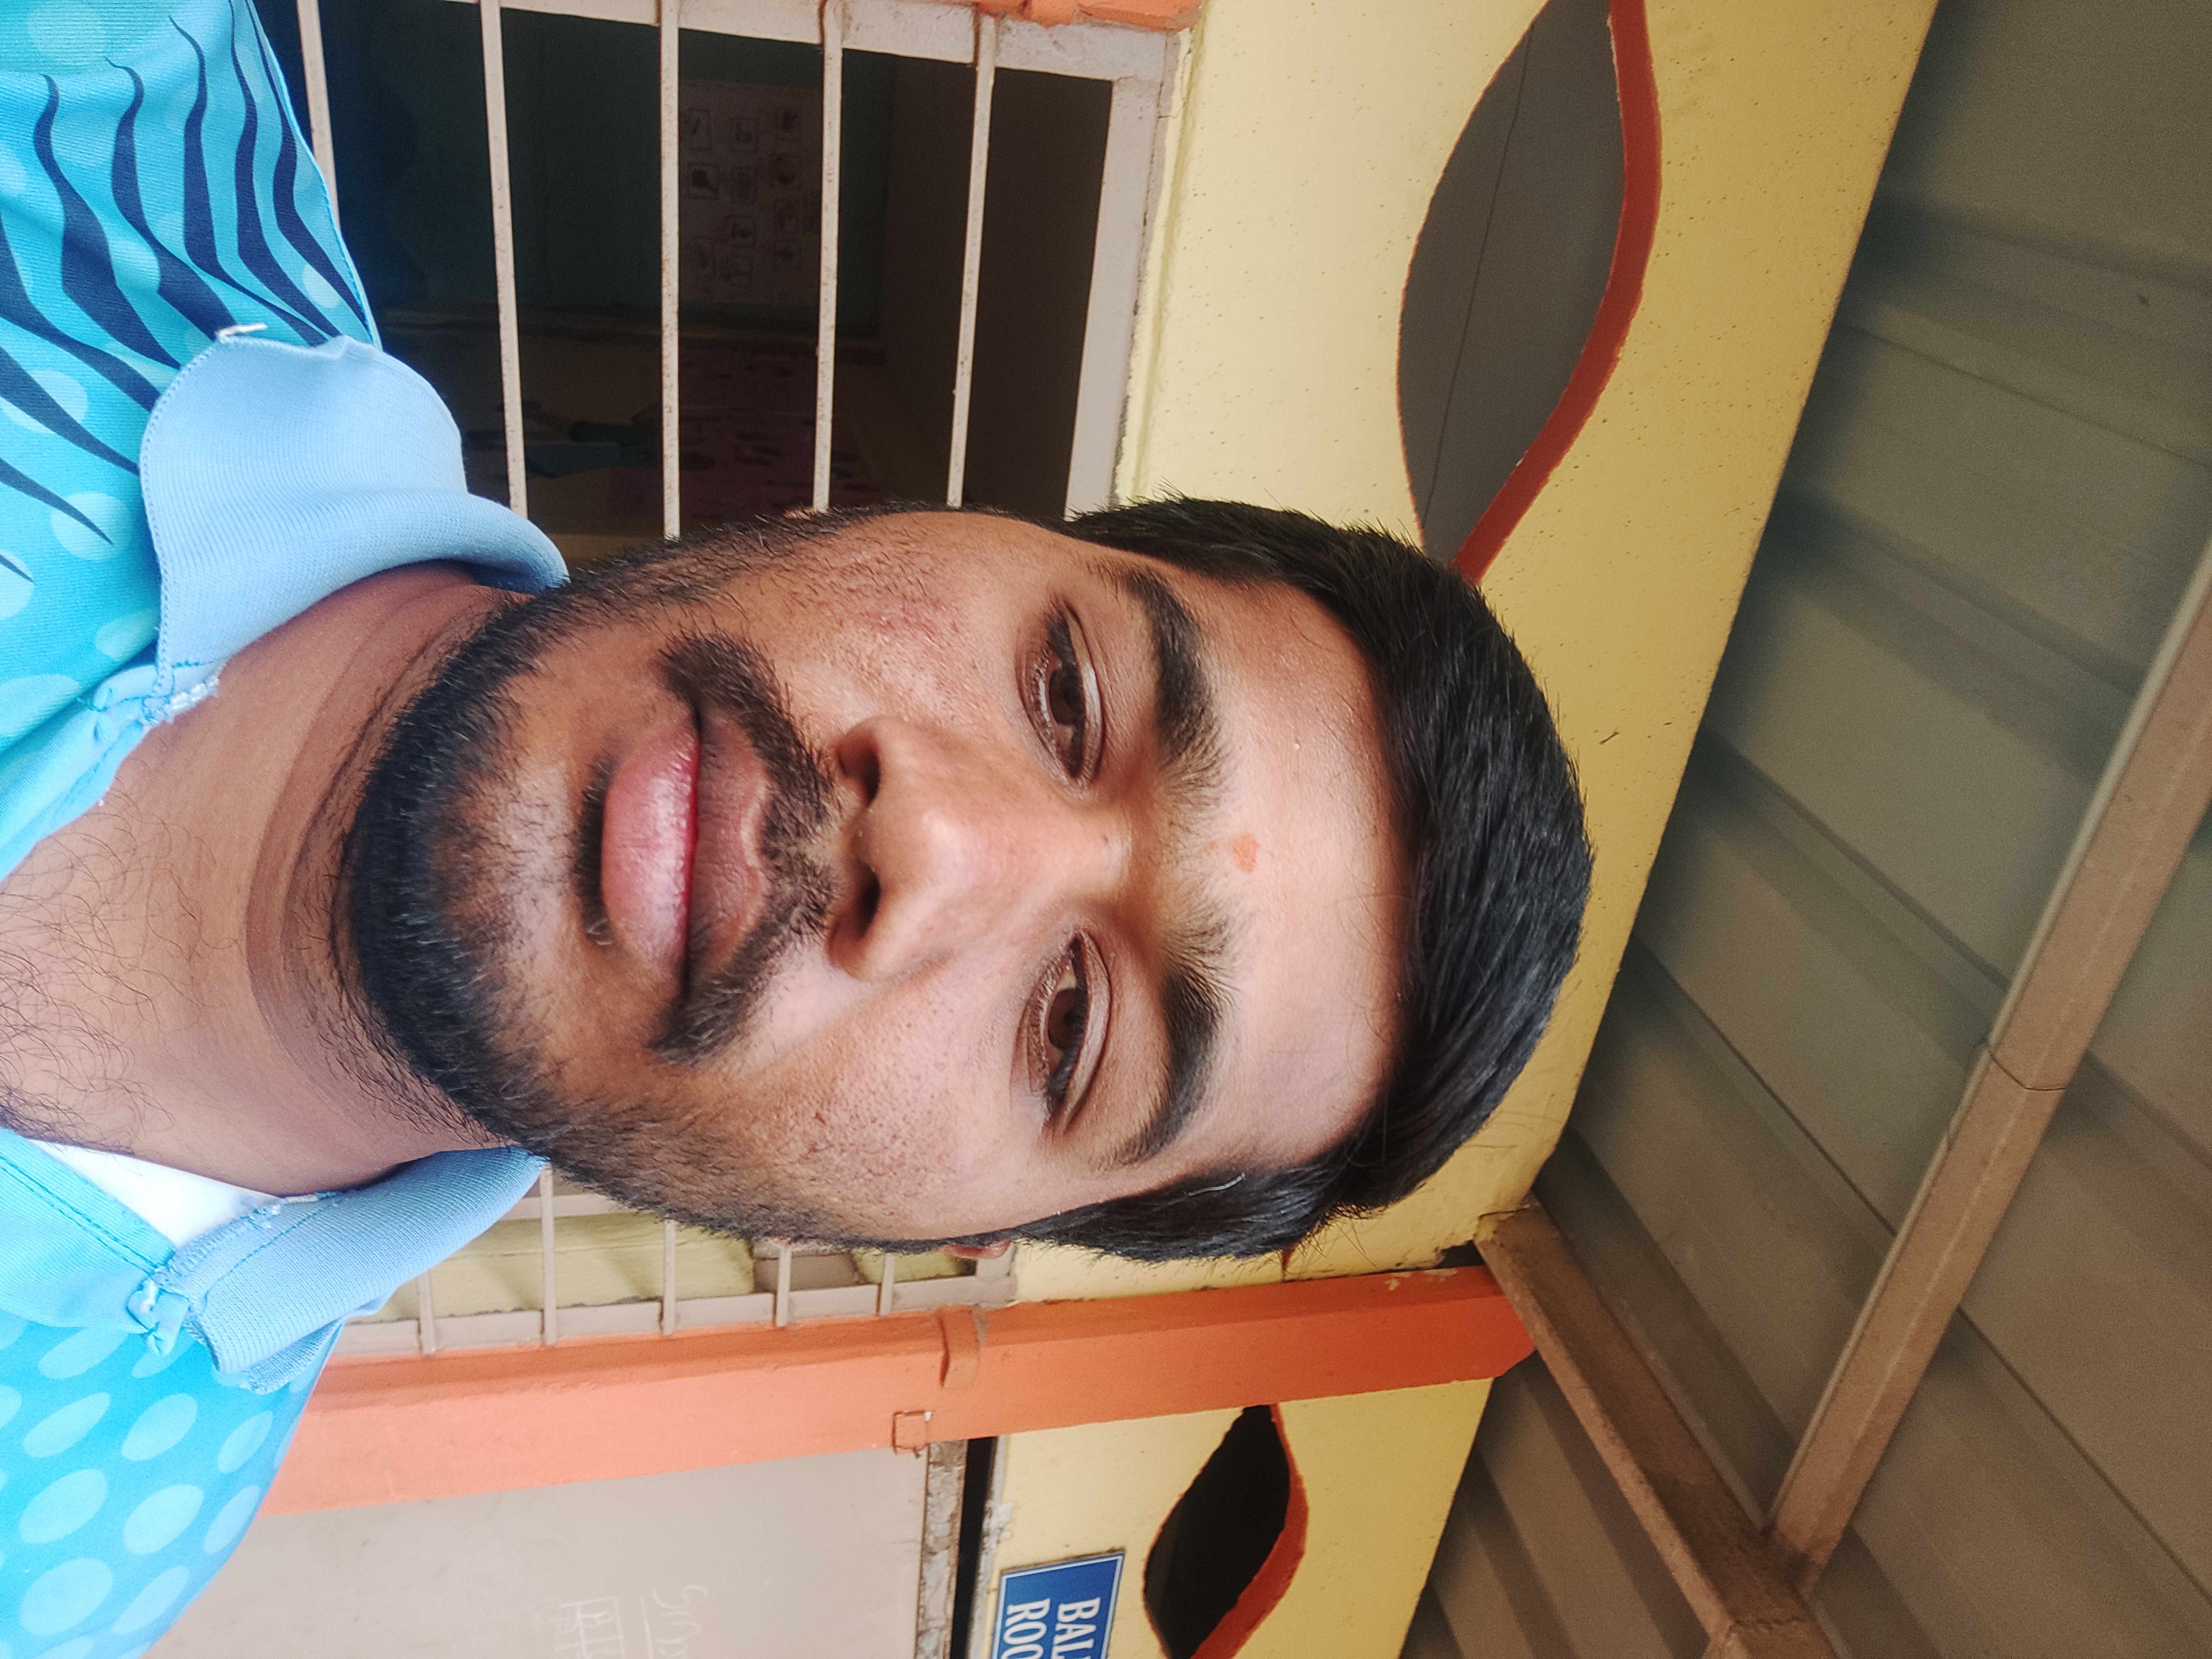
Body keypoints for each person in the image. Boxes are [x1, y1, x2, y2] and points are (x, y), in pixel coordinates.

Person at [0, 0, 1591, 1650]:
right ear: (902, 518)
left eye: (1071, 1029)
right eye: (1068, 694)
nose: (941, 849)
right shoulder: (97, 102)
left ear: (948, 1237)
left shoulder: (68, 1564)